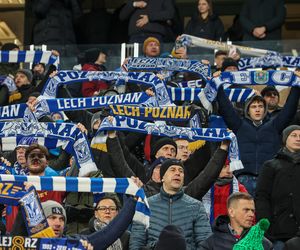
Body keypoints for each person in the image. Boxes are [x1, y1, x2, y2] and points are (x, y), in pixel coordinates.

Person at [216, 77, 300, 196]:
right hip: (243, 178)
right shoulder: (239, 125)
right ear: (248, 110)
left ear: (265, 110)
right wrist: (218, 85)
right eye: (253, 106)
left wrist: (296, 86)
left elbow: (289, 109)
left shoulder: (274, 126)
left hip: (269, 177)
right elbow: (225, 108)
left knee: (265, 213)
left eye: (260, 106)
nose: (257, 110)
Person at [129, 158, 212, 250]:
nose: (177, 173)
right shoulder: (146, 205)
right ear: (162, 177)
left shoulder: (196, 206)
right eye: (172, 170)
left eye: (181, 171)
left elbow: (205, 242)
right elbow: (136, 243)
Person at [11, 197, 137, 250]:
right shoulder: (26, 243)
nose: (58, 223)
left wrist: (132, 202)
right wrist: (27, 200)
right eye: (52, 217)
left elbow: (109, 234)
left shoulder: (76, 243)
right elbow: (15, 237)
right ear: (41, 221)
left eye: (61, 219)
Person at [255, 125, 300, 249]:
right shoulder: (270, 166)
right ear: (285, 139)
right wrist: (266, 225)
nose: (298, 139)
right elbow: (262, 197)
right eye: (294, 135)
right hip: (278, 232)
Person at [199, 192, 272, 249]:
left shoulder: (264, 243)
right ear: (231, 212)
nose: (251, 214)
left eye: (252, 211)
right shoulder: (211, 244)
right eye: (246, 210)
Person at [202, 158, 247, 225]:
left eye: (231, 166)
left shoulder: (240, 189)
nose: (229, 171)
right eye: (224, 167)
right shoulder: (203, 187)